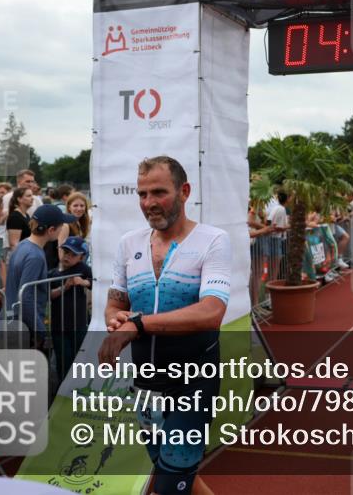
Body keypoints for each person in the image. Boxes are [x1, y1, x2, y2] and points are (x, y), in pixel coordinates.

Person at [99, 156, 230, 495]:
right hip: (146, 388)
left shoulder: (212, 240)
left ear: (184, 191)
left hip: (193, 384)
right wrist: (116, 319)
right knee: (171, 471)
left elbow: (211, 311)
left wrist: (138, 326)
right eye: (142, 194)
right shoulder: (129, 244)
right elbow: (116, 304)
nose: (149, 203)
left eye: (159, 192)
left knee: (170, 486)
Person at [5, 204, 76, 344]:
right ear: (51, 230)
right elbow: (25, 296)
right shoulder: (35, 255)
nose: (63, 229)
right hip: (23, 326)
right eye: (61, 226)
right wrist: (40, 330)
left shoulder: (23, 244)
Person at [48, 236, 92, 383]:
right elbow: (48, 295)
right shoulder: (53, 273)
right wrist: (64, 287)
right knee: (63, 362)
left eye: (73, 254)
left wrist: (83, 282)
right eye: (66, 252)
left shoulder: (83, 269)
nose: (67, 256)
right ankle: (62, 394)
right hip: (59, 327)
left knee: (80, 361)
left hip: (78, 325)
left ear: (81, 257)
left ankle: (79, 390)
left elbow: (95, 283)